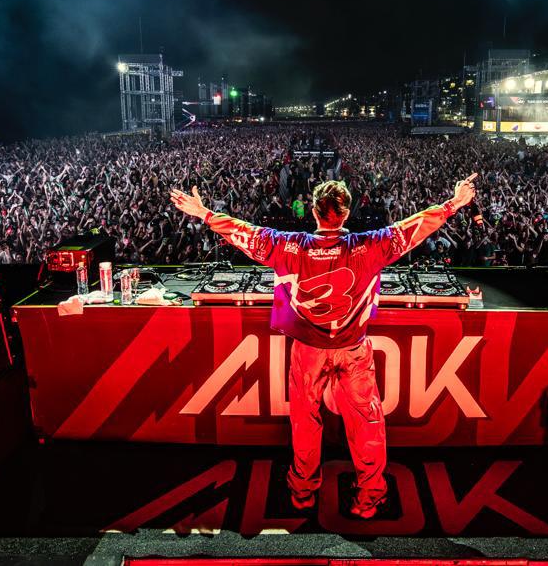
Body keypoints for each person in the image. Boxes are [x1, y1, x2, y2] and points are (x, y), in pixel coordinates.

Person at [170, 172, 479, 519]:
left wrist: (204, 213)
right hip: (354, 349)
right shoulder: (372, 245)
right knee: (366, 423)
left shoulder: (289, 246)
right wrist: (454, 203)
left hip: (308, 350)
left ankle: (302, 492)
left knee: (305, 422)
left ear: (314, 212)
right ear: (345, 214)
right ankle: (369, 497)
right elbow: (414, 227)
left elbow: (245, 233)